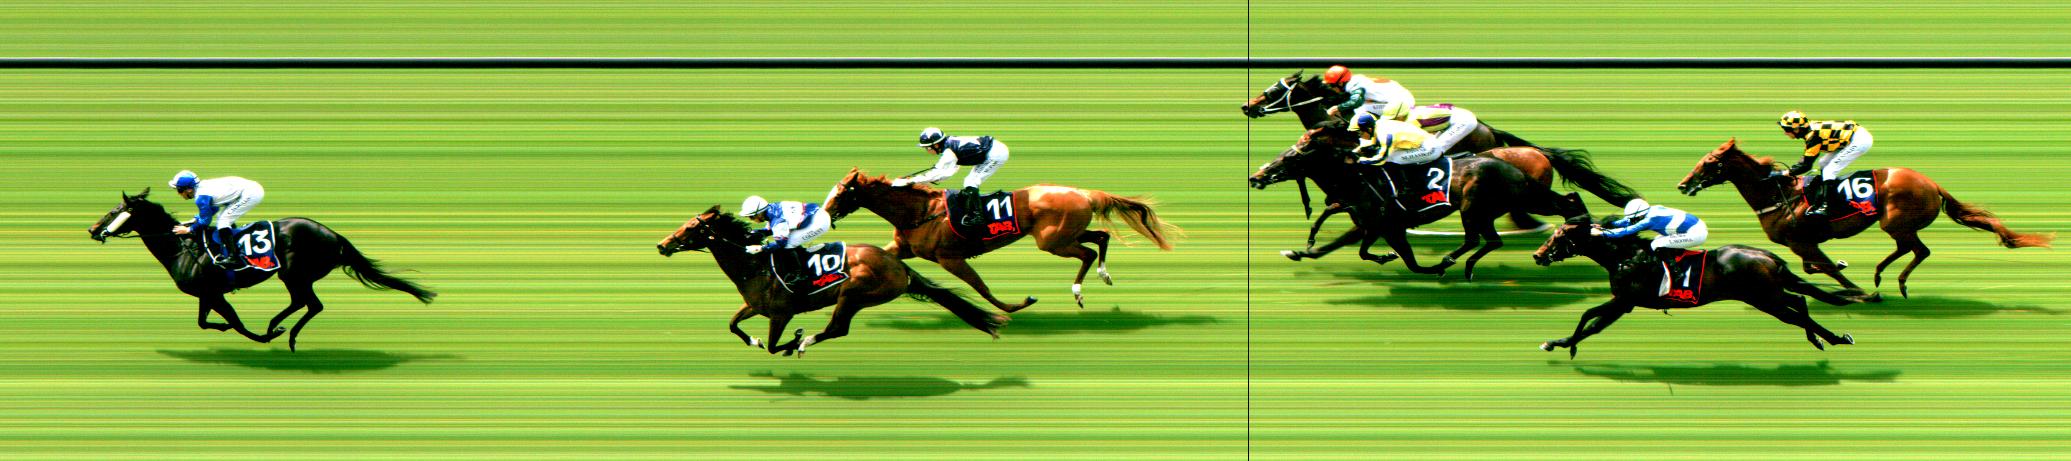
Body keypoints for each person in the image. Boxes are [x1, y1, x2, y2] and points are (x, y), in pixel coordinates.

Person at [892, 127, 1009, 226]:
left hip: (996, 154)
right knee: (969, 181)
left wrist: (909, 181)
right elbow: (949, 171)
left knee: (971, 182)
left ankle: (978, 217)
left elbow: (940, 173)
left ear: (936, 145)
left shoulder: (949, 152)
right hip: (992, 149)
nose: (927, 150)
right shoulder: (949, 145)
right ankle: (972, 206)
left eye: (927, 147)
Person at [1778, 110, 1873, 217]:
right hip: (1849, 137)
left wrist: (1784, 173)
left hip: (1859, 140)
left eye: (1786, 129)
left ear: (1796, 129)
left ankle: (1827, 206)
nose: (1785, 133)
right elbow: (1805, 161)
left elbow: (1805, 165)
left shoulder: (1813, 137)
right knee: (1823, 162)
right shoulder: (1810, 132)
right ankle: (1825, 193)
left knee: (1829, 170)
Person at [168, 170, 264, 269]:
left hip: (250, 194)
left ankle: (234, 258)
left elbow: (206, 221)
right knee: (222, 218)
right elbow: (213, 209)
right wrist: (195, 219)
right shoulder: (201, 189)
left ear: (189, 189)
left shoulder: (201, 197)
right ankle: (232, 244)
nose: (179, 194)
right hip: (249, 189)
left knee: (223, 221)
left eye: (179, 190)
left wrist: (188, 229)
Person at [1594, 199, 1708, 264]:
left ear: (1640, 215)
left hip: (1696, 233)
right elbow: (1627, 221)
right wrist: (1604, 225)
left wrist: (1603, 233)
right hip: (1694, 227)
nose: (1632, 221)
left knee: (1656, 244)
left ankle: (1676, 272)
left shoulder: (1650, 220)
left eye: (1634, 218)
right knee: (1657, 240)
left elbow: (1627, 230)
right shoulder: (1649, 211)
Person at [739, 195, 831, 256]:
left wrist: (760, 248)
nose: (750, 219)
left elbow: (781, 243)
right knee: (790, 239)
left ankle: (798, 273)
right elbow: (769, 230)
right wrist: (754, 233)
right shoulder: (772, 208)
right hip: (816, 214)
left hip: (820, 222)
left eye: (751, 216)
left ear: (759, 213)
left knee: (789, 244)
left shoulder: (777, 220)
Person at [1399, 103, 1483, 157]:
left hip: (1463, 121)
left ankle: (1469, 157)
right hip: (1458, 114)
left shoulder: (1410, 121)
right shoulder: (1406, 112)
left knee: (1435, 150)